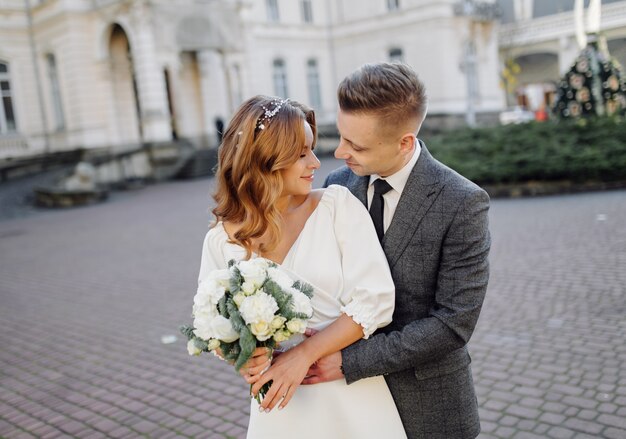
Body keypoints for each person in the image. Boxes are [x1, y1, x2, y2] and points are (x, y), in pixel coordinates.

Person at [246, 62, 491, 438]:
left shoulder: (462, 202)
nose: (339, 151)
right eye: (340, 135)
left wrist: (348, 361)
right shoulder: (336, 186)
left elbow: (452, 324)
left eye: (356, 145)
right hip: (343, 408)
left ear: (404, 142)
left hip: (427, 405)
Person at [198, 95, 407, 438]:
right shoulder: (221, 240)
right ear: (264, 158)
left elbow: (376, 300)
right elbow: (213, 323)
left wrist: (304, 355)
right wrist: (243, 358)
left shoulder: (336, 206)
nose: (314, 163)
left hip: (350, 395)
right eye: (300, 153)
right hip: (280, 403)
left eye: (312, 149)